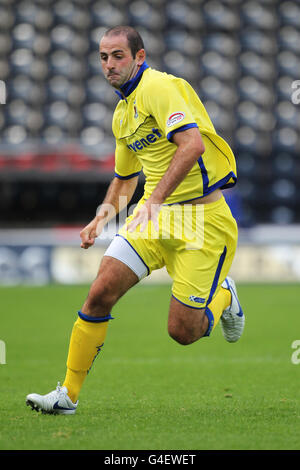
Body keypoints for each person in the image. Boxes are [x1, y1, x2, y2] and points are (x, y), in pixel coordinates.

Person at [26, 26, 245, 415]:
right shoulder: (122, 114)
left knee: (183, 332)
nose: (109, 65)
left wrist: (156, 199)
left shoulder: (159, 89)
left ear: (139, 57)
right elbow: (125, 179)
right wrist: (102, 219)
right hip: (153, 220)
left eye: (118, 56)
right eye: (103, 57)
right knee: (99, 294)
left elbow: (192, 144)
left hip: (201, 219)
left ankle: (225, 296)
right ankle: (67, 396)